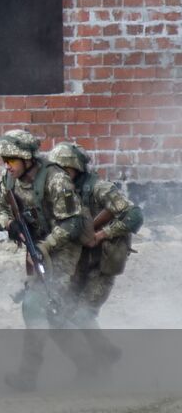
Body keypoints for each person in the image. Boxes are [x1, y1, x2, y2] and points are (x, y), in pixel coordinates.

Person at [0, 129, 92, 390]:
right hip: (37, 249)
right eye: (5, 160)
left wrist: (46, 246)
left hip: (63, 249)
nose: (7, 166)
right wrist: (9, 224)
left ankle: (27, 377)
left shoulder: (56, 180)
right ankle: (89, 365)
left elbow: (73, 224)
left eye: (11, 160)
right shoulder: (10, 180)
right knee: (52, 313)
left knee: (35, 305)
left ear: (26, 159)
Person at [47, 142, 141, 338]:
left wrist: (102, 234)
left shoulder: (99, 188)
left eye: (63, 169)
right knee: (60, 312)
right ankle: (90, 357)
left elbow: (134, 215)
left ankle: (103, 355)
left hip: (101, 265)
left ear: (75, 168)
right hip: (75, 262)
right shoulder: (58, 191)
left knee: (82, 315)